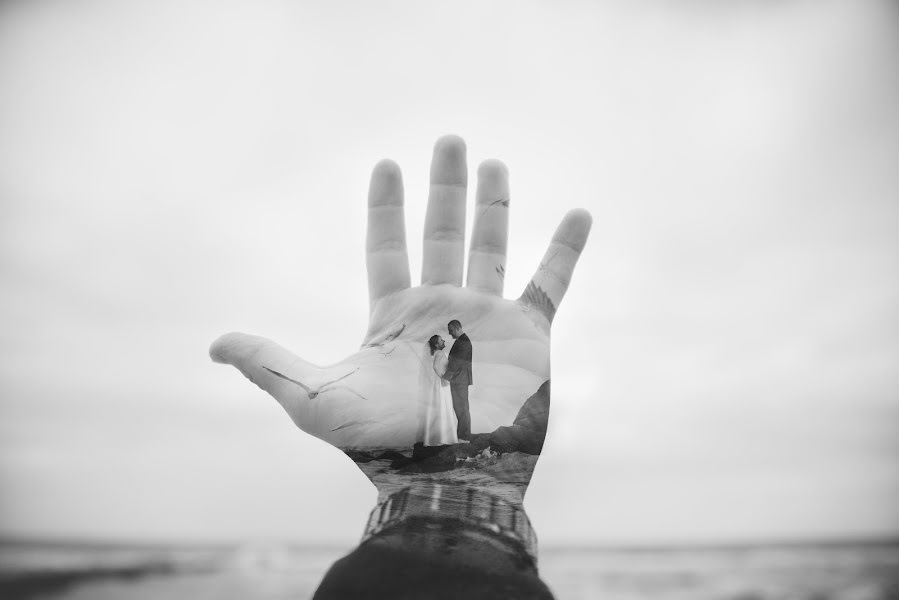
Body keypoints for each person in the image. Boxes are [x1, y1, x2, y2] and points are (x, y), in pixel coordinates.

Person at [419, 334, 458, 446]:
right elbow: (435, 366)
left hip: (438, 382)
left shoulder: (436, 353)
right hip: (441, 382)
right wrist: (443, 377)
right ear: (436, 344)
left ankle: (438, 437)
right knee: (444, 405)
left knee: (441, 406)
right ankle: (445, 437)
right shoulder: (440, 353)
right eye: (441, 340)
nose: (443, 341)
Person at [444, 319, 473, 440]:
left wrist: (445, 377)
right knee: (460, 408)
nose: (450, 334)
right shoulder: (462, 341)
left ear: (457, 328)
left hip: (459, 379)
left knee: (462, 408)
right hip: (459, 379)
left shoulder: (463, 342)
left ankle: (464, 437)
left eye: (451, 331)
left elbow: (456, 363)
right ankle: (462, 435)